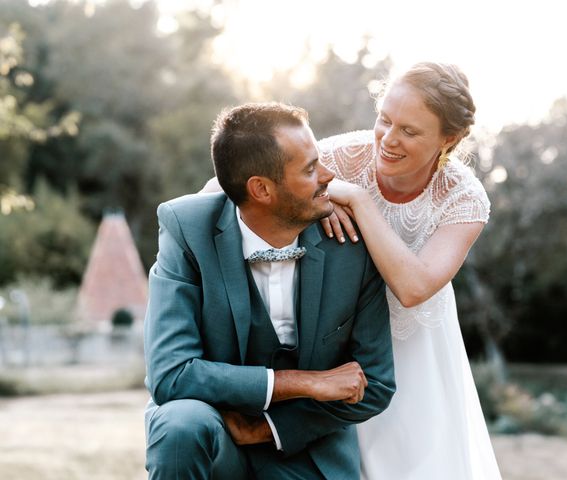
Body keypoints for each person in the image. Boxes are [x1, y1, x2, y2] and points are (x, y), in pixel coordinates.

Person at [144, 102, 395, 480]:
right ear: (261, 189)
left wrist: (265, 429)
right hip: (216, 436)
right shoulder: (187, 230)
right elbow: (171, 375)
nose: (329, 176)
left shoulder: (352, 246)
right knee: (179, 423)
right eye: (310, 169)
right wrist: (306, 382)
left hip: (306, 451)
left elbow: (374, 383)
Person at [318, 62, 502, 479]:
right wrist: (317, 196)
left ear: (448, 139)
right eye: (384, 119)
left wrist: (358, 201)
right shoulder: (341, 157)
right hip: (339, 343)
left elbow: (414, 286)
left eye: (410, 131)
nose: (387, 139)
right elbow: (234, 184)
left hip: (415, 349)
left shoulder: (463, 198)